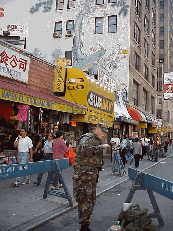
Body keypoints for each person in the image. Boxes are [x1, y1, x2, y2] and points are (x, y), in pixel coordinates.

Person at [73, 123, 110, 231]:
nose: (104, 134)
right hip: (84, 175)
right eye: (103, 131)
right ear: (97, 129)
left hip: (89, 175)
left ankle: (85, 224)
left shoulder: (95, 139)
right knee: (86, 199)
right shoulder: (87, 138)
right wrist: (101, 147)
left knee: (90, 199)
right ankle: (84, 226)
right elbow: (85, 151)